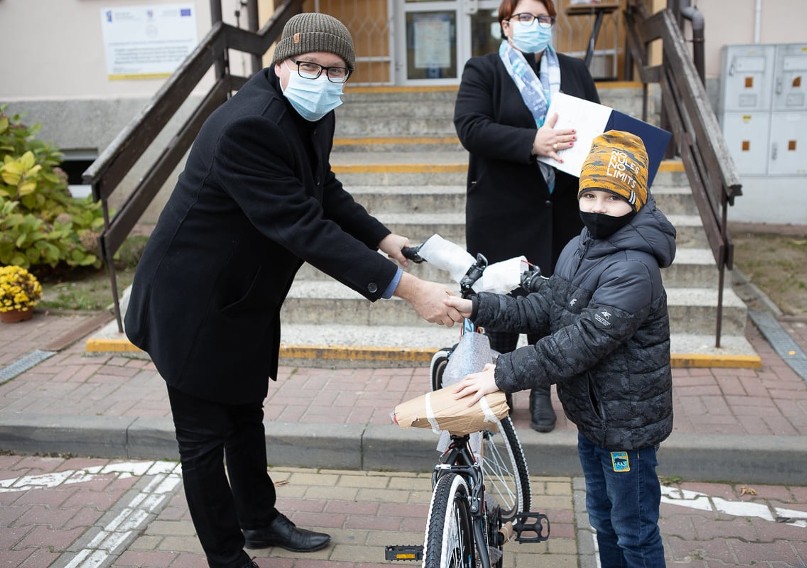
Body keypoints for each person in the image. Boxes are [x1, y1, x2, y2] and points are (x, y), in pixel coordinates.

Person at [124, 13, 462, 568]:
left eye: (337, 71)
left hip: (243, 298)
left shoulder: (312, 110)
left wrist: (385, 239)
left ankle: (259, 520)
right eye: (310, 66)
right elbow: (303, 228)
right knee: (204, 442)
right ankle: (227, 557)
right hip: (191, 306)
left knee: (245, 413)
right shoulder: (247, 126)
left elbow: (320, 188)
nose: (324, 79)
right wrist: (409, 289)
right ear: (281, 63)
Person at [446, 130, 676, 567]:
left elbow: (581, 342)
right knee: (604, 521)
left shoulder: (635, 268)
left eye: (612, 198)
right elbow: (547, 308)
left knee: (635, 533)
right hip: (593, 419)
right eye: (589, 195)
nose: (596, 208)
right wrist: (478, 306)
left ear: (637, 200)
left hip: (625, 426)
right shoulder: (580, 246)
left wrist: (502, 372)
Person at [453, 0, 600, 432]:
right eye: (525, 17)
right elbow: (471, 127)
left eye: (543, 18)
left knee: (550, 306)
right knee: (500, 305)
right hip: (503, 209)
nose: (535, 25)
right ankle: (498, 390)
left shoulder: (574, 71)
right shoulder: (483, 70)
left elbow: (597, 129)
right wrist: (532, 142)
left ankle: (540, 390)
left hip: (561, 212)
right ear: (505, 24)